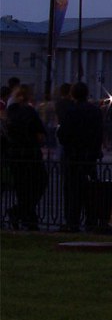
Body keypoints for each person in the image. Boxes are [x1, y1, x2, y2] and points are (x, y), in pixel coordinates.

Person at [56, 82, 105, 233]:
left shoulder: (70, 111)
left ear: (72, 95)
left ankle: (73, 221)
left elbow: (62, 134)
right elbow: (100, 132)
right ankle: (91, 220)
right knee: (90, 189)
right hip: (89, 155)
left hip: (73, 155)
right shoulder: (95, 111)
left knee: (72, 190)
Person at [4, 84, 47, 230]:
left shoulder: (8, 112)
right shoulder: (29, 111)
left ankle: (26, 216)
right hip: (31, 154)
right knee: (39, 183)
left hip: (14, 156)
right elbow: (40, 135)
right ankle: (21, 213)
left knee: (22, 189)